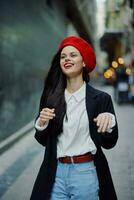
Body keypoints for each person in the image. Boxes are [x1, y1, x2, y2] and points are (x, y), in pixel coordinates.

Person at [30, 36, 118, 200]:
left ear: (84, 62)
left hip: (85, 172)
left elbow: (109, 143)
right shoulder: (52, 97)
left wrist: (109, 122)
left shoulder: (101, 99)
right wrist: (41, 123)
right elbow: (43, 140)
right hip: (55, 173)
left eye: (73, 55)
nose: (67, 59)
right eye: (63, 56)